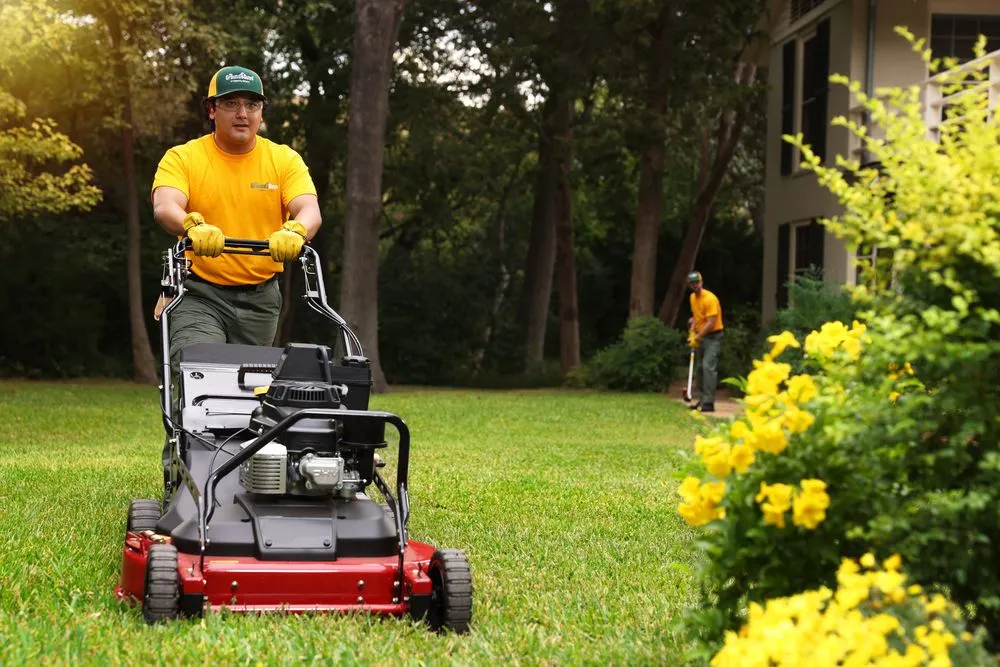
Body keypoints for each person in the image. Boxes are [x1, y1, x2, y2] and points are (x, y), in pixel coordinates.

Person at [151, 65, 322, 365]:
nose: (242, 113)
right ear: (212, 110)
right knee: (200, 367)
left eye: (251, 105)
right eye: (231, 104)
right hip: (199, 291)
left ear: (261, 113)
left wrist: (296, 230)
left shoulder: (283, 160)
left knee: (249, 384)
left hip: (261, 300)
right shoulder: (183, 157)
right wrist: (190, 226)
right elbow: (165, 206)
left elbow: (309, 210)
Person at [686, 271, 724, 413]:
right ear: (689, 285)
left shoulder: (710, 299)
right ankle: (702, 400)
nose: (695, 285)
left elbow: (711, 323)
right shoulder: (692, 298)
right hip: (702, 336)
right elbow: (696, 317)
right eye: (692, 283)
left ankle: (709, 402)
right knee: (700, 368)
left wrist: (697, 337)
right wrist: (692, 331)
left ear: (701, 282)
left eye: (697, 282)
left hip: (714, 336)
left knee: (708, 366)